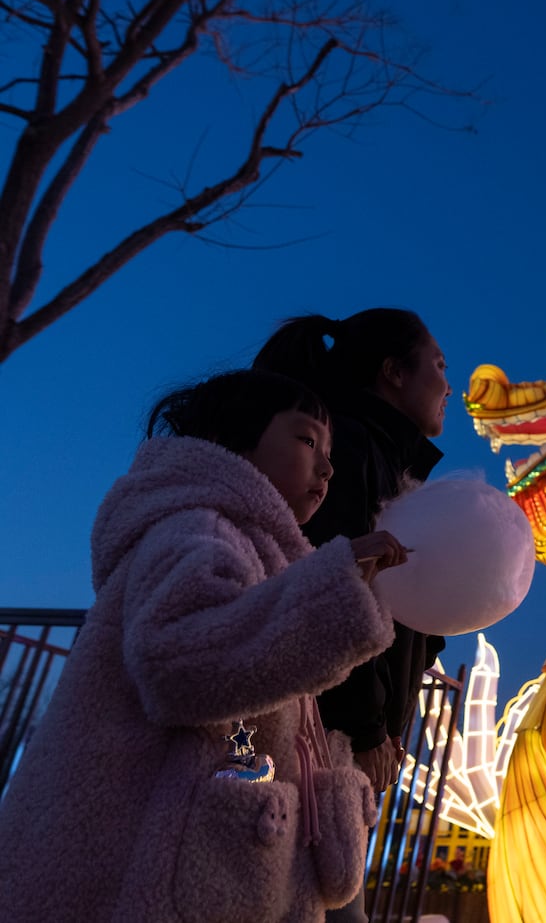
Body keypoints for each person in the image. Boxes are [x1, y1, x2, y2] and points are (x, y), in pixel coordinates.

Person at [0, 370, 409, 922]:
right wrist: (329, 589)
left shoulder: (261, 553)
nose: (328, 467)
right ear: (237, 441)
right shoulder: (197, 529)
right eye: (307, 440)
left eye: (328, 450)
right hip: (141, 874)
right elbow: (182, 664)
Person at [253, 308, 451, 922]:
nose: (450, 384)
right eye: (438, 367)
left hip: (348, 738)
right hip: (323, 739)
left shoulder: (388, 460)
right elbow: (338, 597)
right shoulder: (357, 453)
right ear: (393, 372)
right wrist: (367, 729)